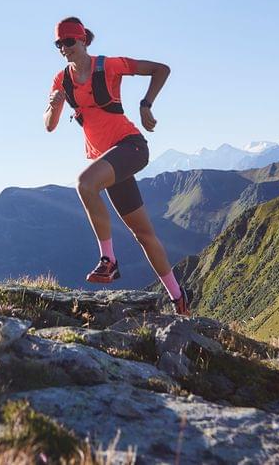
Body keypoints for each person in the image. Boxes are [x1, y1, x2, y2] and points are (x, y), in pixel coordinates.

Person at [44, 17, 190, 316]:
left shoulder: (108, 66)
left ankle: (108, 261)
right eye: (58, 44)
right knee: (143, 235)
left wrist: (146, 104)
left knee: (85, 183)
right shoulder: (61, 81)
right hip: (108, 160)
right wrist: (55, 104)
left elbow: (161, 69)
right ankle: (179, 299)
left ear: (83, 40)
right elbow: (49, 126)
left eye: (68, 42)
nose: (63, 48)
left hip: (131, 147)